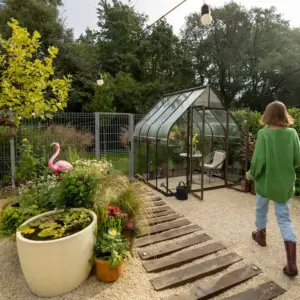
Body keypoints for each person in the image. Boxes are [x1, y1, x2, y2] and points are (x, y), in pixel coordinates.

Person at [246, 101, 300, 277]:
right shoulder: (292, 133)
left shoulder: (263, 134)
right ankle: (292, 264)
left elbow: (259, 161)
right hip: (284, 185)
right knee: (284, 219)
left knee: (261, 209)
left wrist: (251, 174)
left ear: (267, 115)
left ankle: (260, 235)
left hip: (265, 183)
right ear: (285, 115)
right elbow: (297, 159)